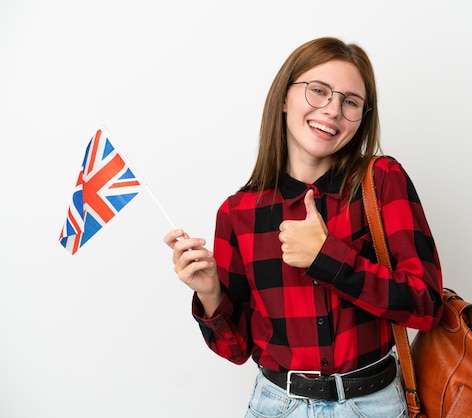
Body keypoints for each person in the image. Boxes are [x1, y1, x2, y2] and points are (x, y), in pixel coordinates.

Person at [164, 37, 443, 418]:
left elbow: (426, 306)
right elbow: (236, 350)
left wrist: (327, 258)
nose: (332, 110)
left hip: (373, 404)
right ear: (284, 98)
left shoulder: (381, 181)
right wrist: (211, 293)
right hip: (278, 406)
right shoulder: (238, 212)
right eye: (318, 91)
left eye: (350, 102)